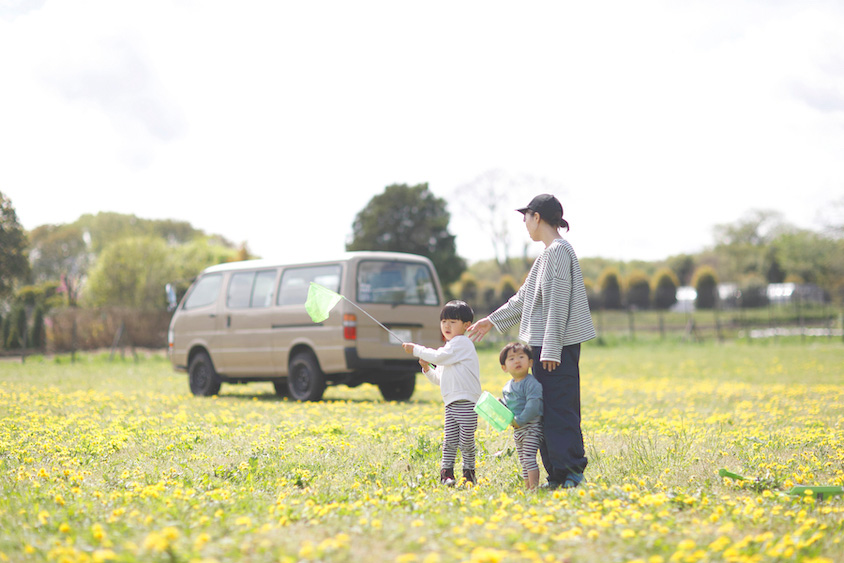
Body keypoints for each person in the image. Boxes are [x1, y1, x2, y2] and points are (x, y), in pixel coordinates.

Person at [468, 194, 596, 489]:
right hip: (544, 347)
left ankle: (571, 473)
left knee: (559, 409)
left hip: (555, 348)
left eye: (526, 217)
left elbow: (557, 304)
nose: (525, 224)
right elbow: (524, 298)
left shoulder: (559, 252)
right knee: (543, 409)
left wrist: (551, 348)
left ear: (537, 217)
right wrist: (492, 320)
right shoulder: (546, 255)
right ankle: (557, 474)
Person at [402, 300, 482, 486]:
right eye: (444, 321)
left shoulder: (461, 343)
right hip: (451, 404)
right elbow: (440, 379)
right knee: (450, 441)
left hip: (467, 403)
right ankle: (446, 474)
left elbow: (438, 357)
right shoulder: (450, 349)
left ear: (466, 326)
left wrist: (415, 349)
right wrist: (427, 369)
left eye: (452, 322)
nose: (446, 325)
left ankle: (468, 473)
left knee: (466, 441)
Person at [499, 342, 544, 490]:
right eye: (511, 359)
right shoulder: (507, 386)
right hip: (517, 429)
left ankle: (534, 488)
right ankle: (527, 486)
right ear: (504, 367)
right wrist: (500, 406)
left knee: (529, 457)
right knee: (523, 460)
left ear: (530, 362)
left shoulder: (531, 383)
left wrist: (520, 420)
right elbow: (508, 406)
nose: (517, 361)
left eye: (521, 357)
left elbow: (533, 405)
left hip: (531, 427)